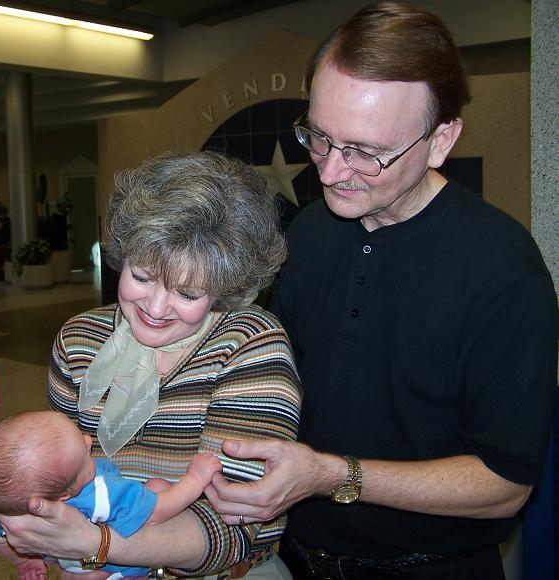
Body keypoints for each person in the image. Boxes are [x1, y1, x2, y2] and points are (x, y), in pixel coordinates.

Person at [204, 3, 559, 579]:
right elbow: (277, 378)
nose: (330, 172)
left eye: (367, 152)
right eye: (318, 137)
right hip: (290, 556)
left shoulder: (504, 273)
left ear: (441, 141)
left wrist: (332, 474)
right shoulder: (312, 232)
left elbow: (503, 485)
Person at [0, 151, 302, 578]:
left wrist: (98, 545)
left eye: (188, 294)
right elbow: (53, 474)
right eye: (142, 276)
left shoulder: (250, 344)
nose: (155, 307)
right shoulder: (79, 340)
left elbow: (237, 520)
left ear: (227, 287)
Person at [0, 411, 223, 579]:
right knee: (158, 487)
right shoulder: (100, 492)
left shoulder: (3, 501)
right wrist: (195, 480)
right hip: (120, 569)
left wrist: (26, 559)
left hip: (73, 564)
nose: (88, 440)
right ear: (65, 495)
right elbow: (157, 512)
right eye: (84, 455)